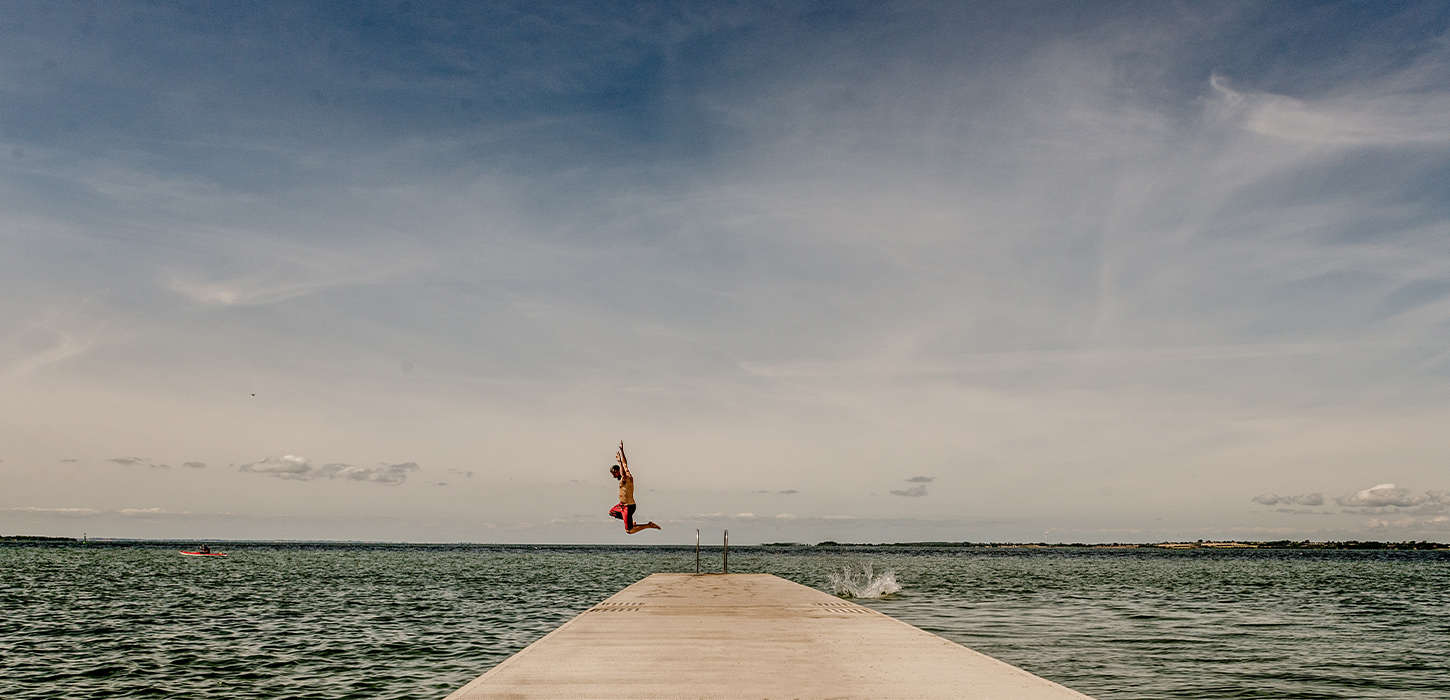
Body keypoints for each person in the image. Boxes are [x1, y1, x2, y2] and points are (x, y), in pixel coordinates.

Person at [609, 441, 660, 534]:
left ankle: (648, 525)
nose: (613, 476)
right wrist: (622, 452)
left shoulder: (625, 478)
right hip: (622, 505)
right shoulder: (627, 473)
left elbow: (623, 471)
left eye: (614, 474)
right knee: (612, 512)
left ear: (618, 471)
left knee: (629, 531)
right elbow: (625, 464)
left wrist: (619, 461)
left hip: (628, 506)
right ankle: (629, 521)